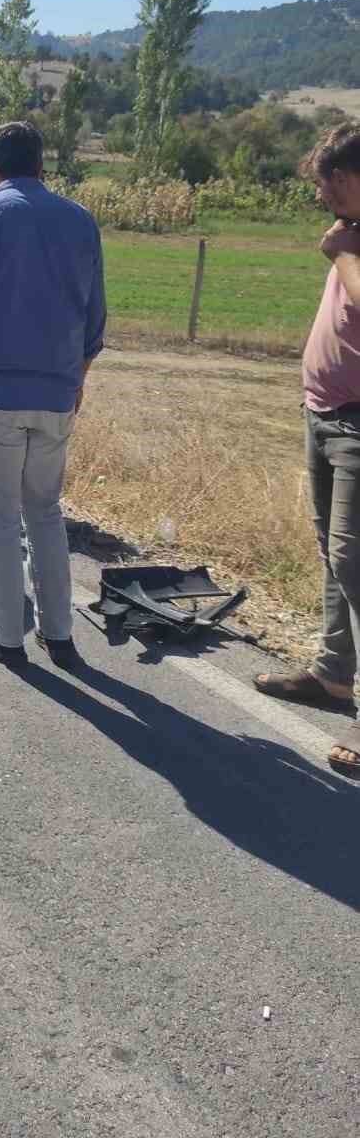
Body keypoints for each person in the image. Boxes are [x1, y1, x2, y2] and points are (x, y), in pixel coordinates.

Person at [0, 121, 106, 669]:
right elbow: (94, 318)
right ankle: (58, 634)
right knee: (45, 512)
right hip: (56, 394)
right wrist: (74, 378)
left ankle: (5, 634)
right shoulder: (81, 221)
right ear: (41, 167)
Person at [254, 123, 360, 776]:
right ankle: (332, 674)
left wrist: (340, 253)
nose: (322, 199)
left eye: (325, 187)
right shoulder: (349, 232)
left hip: (355, 424)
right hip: (323, 413)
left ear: (347, 178)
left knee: (355, 561)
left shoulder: (346, 242)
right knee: (332, 549)